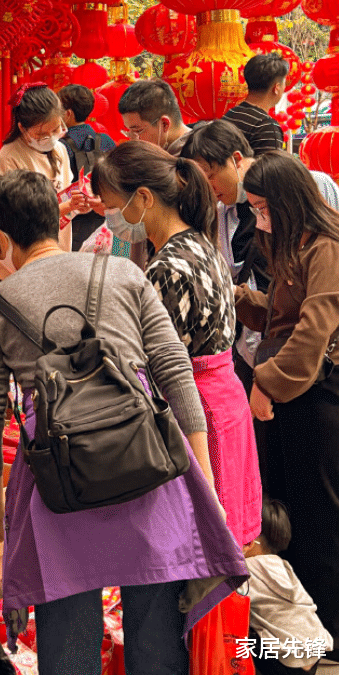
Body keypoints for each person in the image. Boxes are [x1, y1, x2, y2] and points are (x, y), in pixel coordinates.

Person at [0, 170, 248, 675]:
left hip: (60, 482)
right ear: (58, 224)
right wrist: (201, 475)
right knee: (156, 635)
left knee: (69, 639)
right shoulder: (123, 273)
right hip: (148, 463)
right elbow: (175, 373)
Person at [92, 142, 262, 547]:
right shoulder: (200, 244)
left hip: (194, 415)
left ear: (144, 198)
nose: (108, 216)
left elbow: (156, 367)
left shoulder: (168, 268)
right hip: (224, 404)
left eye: (110, 206)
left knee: (194, 556)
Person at [235, 151, 339, 658]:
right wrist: (236, 297)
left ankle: (327, 637)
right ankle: (294, 640)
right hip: (290, 398)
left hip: (317, 399)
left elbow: (313, 329)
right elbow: (279, 316)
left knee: (318, 518)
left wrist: (265, 383)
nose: (259, 218)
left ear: (288, 200)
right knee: (288, 513)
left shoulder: (326, 245)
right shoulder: (292, 243)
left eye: (263, 207)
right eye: (253, 209)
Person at [181, 121, 339, 391]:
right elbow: (280, 300)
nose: (207, 187)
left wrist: (270, 382)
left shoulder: (321, 230)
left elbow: (316, 323)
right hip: (259, 345)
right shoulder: (221, 213)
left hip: (311, 365)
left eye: (210, 175)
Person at [0, 84, 84, 270]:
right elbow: (17, 220)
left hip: (58, 255)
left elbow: (66, 190)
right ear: (22, 128)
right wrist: (66, 208)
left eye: (56, 129)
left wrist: (81, 202)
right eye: (41, 134)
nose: (50, 137)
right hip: (20, 266)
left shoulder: (60, 150)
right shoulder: (8, 159)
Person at [245, 498, 333, 675]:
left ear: (251, 539)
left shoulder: (247, 569)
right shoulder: (282, 565)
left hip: (287, 659)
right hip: (315, 649)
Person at [57, 83, 115, 251]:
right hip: (105, 221)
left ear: (67, 114)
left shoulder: (59, 147)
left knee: (74, 272)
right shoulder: (107, 141)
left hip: (72, 224)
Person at [222, 53, 288, 155]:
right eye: (284, 84)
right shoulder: (266, 126)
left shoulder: (231, 114)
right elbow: (268, 169)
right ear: (277, 88)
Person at [118, 78, 191, 155]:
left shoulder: (196, 155)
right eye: (128, 132)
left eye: (138, 131)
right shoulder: (163, 152)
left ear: (164, 124)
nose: (132, 140)